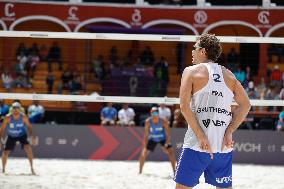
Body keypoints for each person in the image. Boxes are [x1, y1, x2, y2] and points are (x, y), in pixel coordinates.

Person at [174, 34, 251, 189]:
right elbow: (246, 105)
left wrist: (201, 136)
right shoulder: (229, 75)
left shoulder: (191, 71)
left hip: (197, 144)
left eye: (194, 48)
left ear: (202, 51)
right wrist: (230, 130)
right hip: (222, 145)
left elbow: (184, 106)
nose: (192, 52)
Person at [0, 102, 36, 175]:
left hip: (22, 135)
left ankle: (32, 168)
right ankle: (3, 169)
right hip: (11, 135)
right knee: (5, 152)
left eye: (17, 108)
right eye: (14, 108)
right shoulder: (7, 117)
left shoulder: (24, 117)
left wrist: (32, 136)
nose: (15, 109)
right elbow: (2, 129)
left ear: (20, 109)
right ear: (12, 109)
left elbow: (29, 126)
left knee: (28, 148)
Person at [139, 107, 176, 174]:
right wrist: (145, 145)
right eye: (153, 112)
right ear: (151, 113)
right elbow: (146, 134)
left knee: (170, 152)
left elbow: (168, 134)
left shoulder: (163, 121)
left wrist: (166, 143)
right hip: (152, 139)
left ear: (158, 113)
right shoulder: (148, 122)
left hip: (162, 139)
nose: (154, 114)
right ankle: (140, 171)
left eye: (156, 112)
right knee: (143, 154)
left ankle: (175, 171)